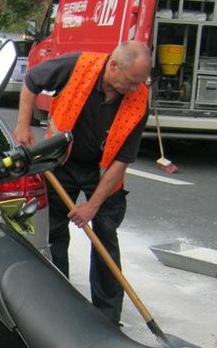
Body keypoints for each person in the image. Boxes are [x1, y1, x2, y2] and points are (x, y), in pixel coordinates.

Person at [13, 41, 151, 326]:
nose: (136, 88)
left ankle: (107, 316)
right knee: (53, 233)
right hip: (60, 161)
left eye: (140, 82)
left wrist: (92, 205)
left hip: (103, 173)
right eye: (131, 81)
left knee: (105, 234)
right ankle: (59, 303)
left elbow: (122, 160)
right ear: (113, 66)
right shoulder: (77, 65)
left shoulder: (139, 99)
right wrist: (23, 125)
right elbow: (31, 82)